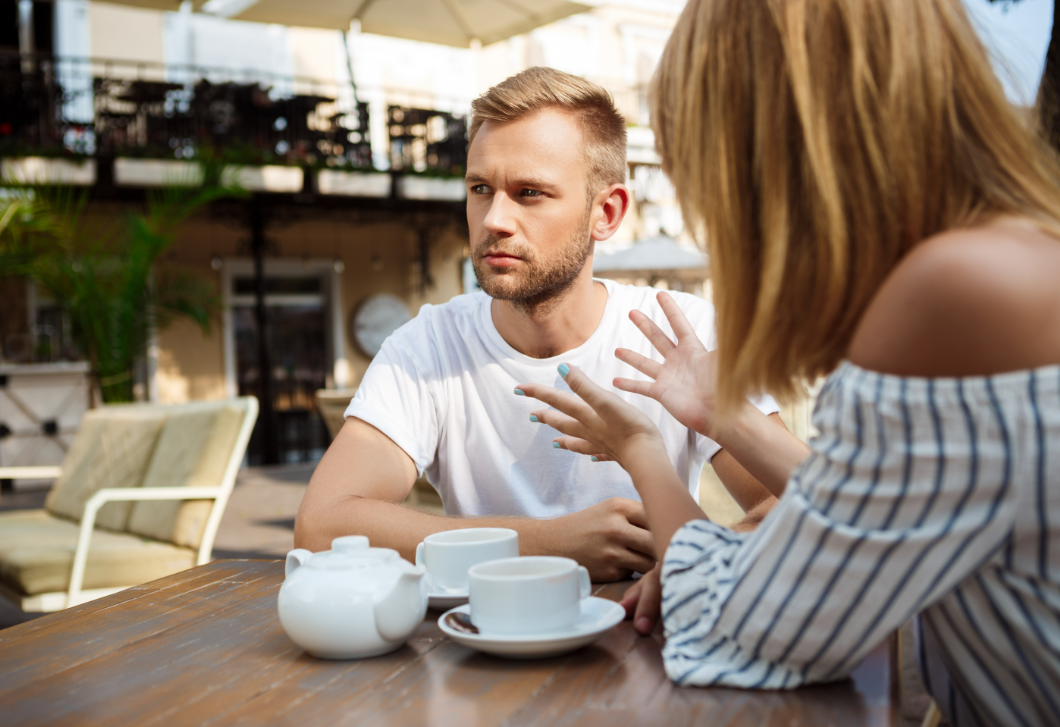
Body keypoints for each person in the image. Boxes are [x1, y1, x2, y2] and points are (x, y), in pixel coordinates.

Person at [514, 2, 1060, 726]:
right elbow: (884, 513)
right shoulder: (1021, 251)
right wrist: (724, 418)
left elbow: (743, 622)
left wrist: (641, 447)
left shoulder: (951, 296)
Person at [294, 68, 781, 598]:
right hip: (483, 646)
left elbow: (787, 508)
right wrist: (545, 543)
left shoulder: (677, 333)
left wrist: (700, 562)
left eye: (530, 192)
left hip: (644, 641)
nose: (494, 219)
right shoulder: (428, 346)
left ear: (607, 212)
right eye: (481, 189)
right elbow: (324, 526)